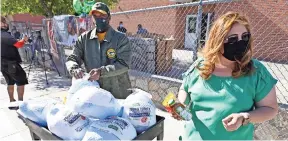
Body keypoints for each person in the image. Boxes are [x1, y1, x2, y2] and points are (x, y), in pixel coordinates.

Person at [173, 12, 278, 140]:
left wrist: (244, 117)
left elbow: (270, 108)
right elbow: (185, 87)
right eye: (233, 39)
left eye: (245, 37)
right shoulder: (200, 66)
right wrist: (181, 104)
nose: (240, 43)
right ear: (217, 41)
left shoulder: (256, 71)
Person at [66, 2, 132, 99]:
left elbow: (124, 64)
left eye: (102, 15)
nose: (99, 18)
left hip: (118, 92)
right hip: (94, 92)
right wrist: (74, 69)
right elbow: (72, 58)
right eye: (95, 15)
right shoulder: (84, 39)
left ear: (109, 17)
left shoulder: (120, 39)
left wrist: (101, 72)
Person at [1, 16, 29, 108]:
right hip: (10, 63)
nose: (5, 24)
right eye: (2, 22)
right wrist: (24, 40)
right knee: (21, 80)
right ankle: (20, 104)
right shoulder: (4, 35)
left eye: (5, 22)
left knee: (10, 82)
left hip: (3, 63)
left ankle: (12, 102)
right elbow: (18, 44)